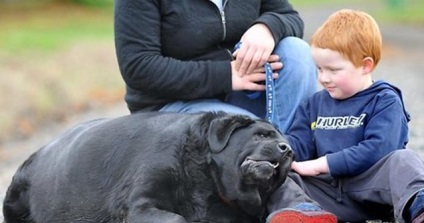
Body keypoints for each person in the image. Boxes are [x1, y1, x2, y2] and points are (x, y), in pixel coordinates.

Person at [265, 9, 424, 223]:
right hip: (328, 196)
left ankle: (417, 205)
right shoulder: (314, 105)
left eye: (333, 70)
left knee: (404, 160)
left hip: (375, 191)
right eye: (319, 68)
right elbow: (299, 144)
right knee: (282, 177)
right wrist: (278, 151)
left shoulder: (384, 100)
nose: (324, 78)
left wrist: (324, 164)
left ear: (365, 65)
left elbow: (380, 149)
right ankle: (304, 213)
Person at [113, 0, 317, 133]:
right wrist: (226, 75)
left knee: (296, 51)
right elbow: (138, 67)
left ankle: (291, 153)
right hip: (172, 105)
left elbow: (289, 17)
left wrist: (267, 27)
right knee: (249, 133)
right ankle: (276, 163)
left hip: (244, 95)